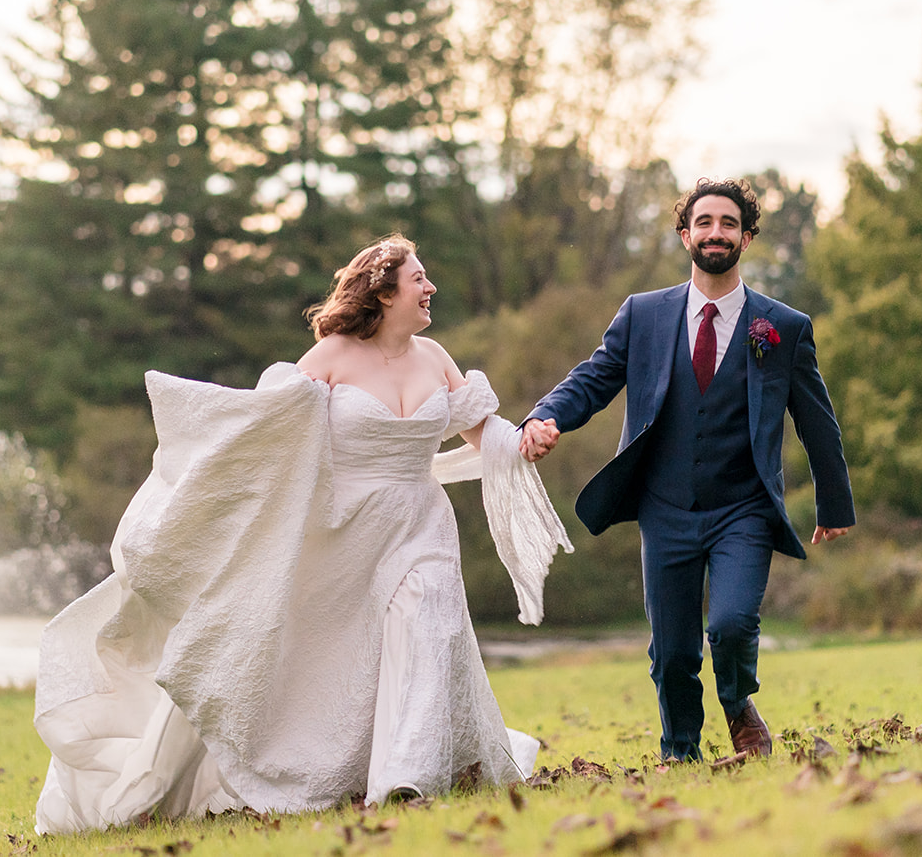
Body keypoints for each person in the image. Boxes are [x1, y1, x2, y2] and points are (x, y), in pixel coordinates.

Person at [32, 236, 570, 832]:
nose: (430, 288)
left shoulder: (434, 357)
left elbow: (478, 428)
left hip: (422, 523)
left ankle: (406, 779)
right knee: (335, 662)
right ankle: (328, 764)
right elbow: (264, 428)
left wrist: (522, 441)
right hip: (344, 534)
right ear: (384, 291)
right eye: (419, 278)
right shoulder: (331, 358)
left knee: (428, 615)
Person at [519, 178, 854, 763]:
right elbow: (594, 379)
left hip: (743, 507)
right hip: (665, 506)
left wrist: (833, 505)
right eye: (704, 223)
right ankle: (680, 751)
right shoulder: (643, 315)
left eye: (728, 223)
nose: (715, 233)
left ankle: (737, 700)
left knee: (728, 625)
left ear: (746, 238)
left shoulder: (784, 327)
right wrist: (546, 416)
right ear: (685, 235)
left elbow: (817, 421)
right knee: (672, 650)